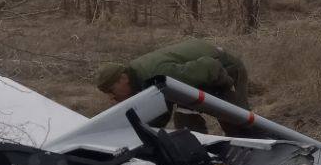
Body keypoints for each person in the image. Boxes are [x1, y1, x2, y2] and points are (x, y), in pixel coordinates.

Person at [94, 38, 252, 135]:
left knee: (238, 125)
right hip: (196, 76)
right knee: (185, 123)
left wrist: (227, 91)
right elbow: (161, 110)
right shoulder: (141, 79)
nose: (111, 98)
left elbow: (209, 66)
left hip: (224, 69)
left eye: (111, 91)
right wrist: (141, 132)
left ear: (123, 78)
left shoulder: (157, 73)